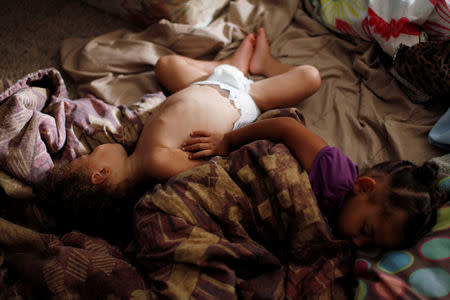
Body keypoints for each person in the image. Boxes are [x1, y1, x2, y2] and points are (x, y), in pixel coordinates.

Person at [36, 28, 322, 239]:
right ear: (101, 173)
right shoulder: (157, 163)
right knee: (311, 76)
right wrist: (225, 144)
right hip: (244, 99)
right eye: (86, 158)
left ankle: (231, 66)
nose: (89, 150)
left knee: (165, 66)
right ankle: (264, 67)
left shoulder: (142, 151)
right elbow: (213, 167)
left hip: (206, 83)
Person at [181, 116, 448, 249]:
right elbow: (287, 126)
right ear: (364, 188)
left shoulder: (340, 238)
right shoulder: (336, 175)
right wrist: (227, 141)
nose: (358, 243)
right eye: (366, 230)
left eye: (371, 245)